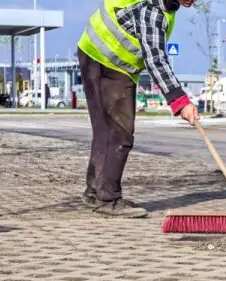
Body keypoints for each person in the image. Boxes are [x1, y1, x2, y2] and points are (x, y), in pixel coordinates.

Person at [77, 0, 199, 218]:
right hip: (108, 64)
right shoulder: (154, 11)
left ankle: (96, 192)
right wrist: (179, 101)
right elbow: (156, 60)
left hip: (93, 53)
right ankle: (108, 200)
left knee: (105, 131)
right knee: (120, 134)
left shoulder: (164, 7)